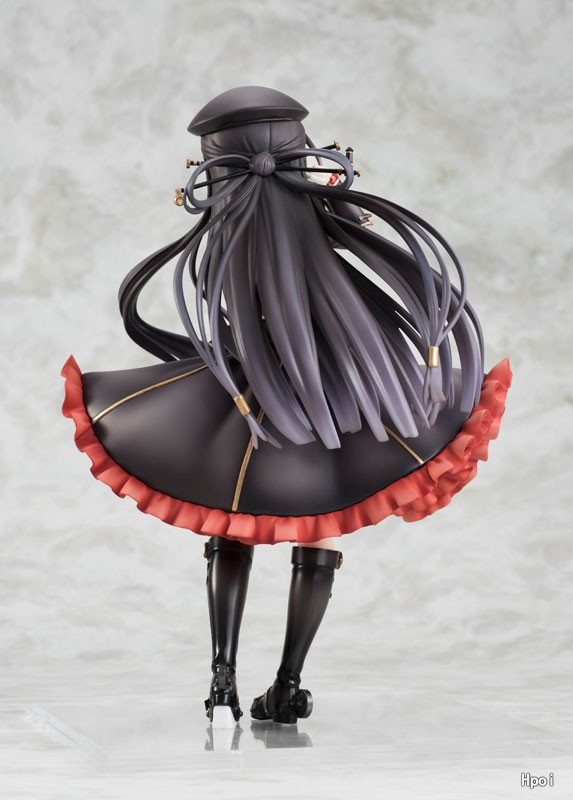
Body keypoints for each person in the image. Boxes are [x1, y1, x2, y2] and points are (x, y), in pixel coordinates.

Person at [61, 85, 512, 728]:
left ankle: (222, 679)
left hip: (253, 394)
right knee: (320, 513)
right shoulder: (309, 217)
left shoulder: (230, 235)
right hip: (334, 391)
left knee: (231, 516)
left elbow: (225, 298)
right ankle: (288, 685)